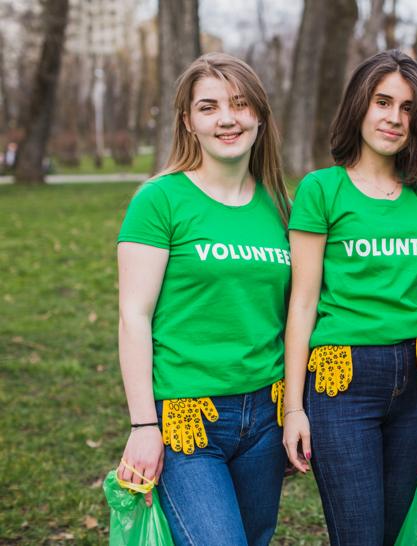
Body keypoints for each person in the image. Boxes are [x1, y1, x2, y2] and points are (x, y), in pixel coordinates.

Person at [282, 49, 417, 546]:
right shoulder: (322, 190)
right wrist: (293, 408)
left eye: (407, 108)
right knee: (360, 534)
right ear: (359, 105)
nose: (394, 118)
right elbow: (301, 304)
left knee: (404, 533)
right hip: (344, 385)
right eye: (383, 102)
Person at [115, 53, 291, 546]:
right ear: (189, 122)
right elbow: (134, 315)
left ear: (259, 114)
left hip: (265, 415)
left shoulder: (280, 206)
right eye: (209, 107)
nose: (227, 119)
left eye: (239, 104)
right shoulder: (160, 200)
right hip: (188, 420)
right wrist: (144, 423)